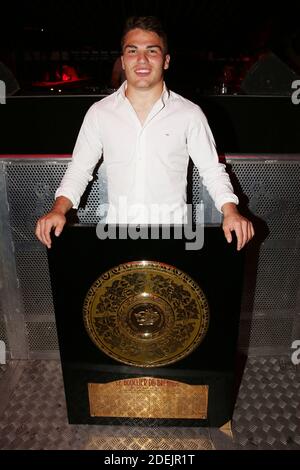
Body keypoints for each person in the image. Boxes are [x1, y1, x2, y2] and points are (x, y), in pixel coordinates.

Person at [35, 16, 254, 250]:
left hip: (173, 239)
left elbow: (212, 170)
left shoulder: (190, 114)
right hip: (116, 237)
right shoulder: (100, 113)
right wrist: (58, 210)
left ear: (166, 60)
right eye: (132, 51)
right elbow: (79, 170)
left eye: (152, 51)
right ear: (122, 60)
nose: (142, 59)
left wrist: (231, 211)